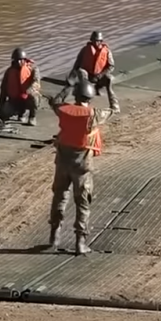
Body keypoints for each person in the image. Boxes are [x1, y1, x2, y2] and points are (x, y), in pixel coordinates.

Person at [47, 80, 114, 255]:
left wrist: (68, 86)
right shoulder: (94, 114)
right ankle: (80, 242)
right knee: (82, 202)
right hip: (83, 166)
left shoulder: (64, 110)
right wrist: (109, 88)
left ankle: (53, 238)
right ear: (90, 97)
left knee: (59, 197)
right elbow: (115, 109)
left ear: (75, 95)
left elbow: (55, 101)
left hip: (62, 163)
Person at [71, 31, 119, 112]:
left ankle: (114, 104)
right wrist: (71, 76)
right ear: (91, 40)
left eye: (98, 41)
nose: (96, 42)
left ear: (101, 41)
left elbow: (111, 66)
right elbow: (78, 63)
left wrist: (101, 74)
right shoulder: (85, 50)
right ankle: (84, 101)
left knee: (109, 79)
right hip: (88, 76)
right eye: (94, 40)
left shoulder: (107, 51)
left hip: (100, 75)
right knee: (81, 72)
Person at [0, 48, 41, 126]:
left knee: (34, 97)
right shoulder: (9, 71)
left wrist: (28, 91)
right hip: (14, 100)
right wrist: (1, 106)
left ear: (24, 60)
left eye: (21, 60)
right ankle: (20, 113)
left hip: (27, 97)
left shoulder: (33, 69)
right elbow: (3, 88)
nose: (18, 62)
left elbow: (36, 83)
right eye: (17, 60)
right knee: (5, 111)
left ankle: (32, 117)